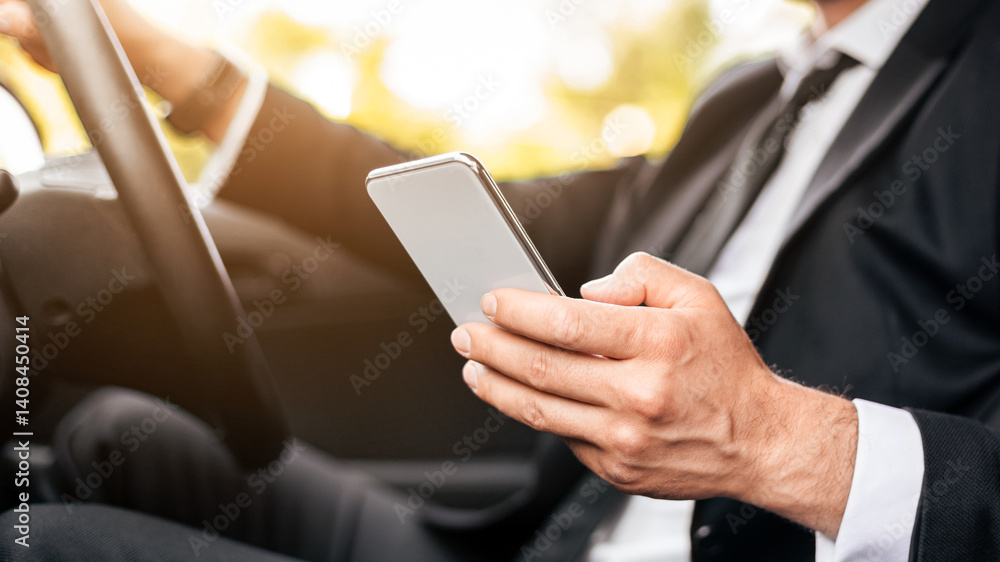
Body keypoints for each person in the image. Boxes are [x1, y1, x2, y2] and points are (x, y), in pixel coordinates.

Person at [1, 0, 999, 560]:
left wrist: (779, 441)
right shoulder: (749, 100)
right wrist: (190, 78)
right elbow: (484, 218)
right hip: (529, 543)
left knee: (46, 545)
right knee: (113, 434)